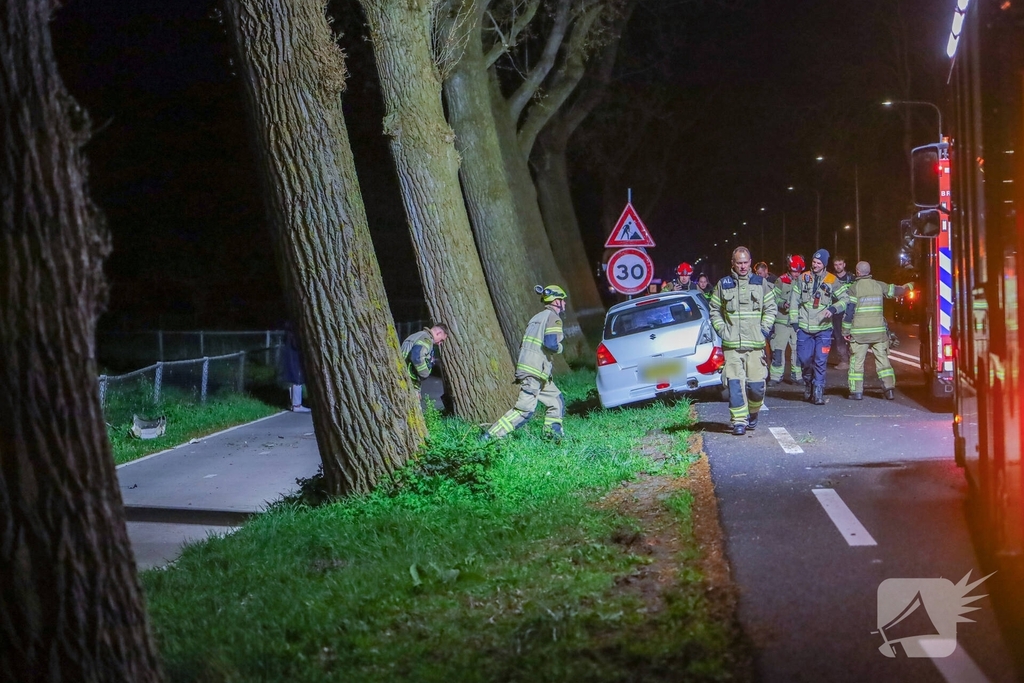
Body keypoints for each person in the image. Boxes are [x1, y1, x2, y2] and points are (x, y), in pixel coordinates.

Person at [482, 285, 567, 442]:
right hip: (535, 371)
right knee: (524, 410)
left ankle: (552, 437)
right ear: (556, 301)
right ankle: (490, 436)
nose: (565, 304)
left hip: (535, 370)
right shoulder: (553, 318)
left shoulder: (536, 317)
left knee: (556, 400)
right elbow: (551, 344)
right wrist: (560, 347)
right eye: (563, 300)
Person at [709, 247, 777, 435]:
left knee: (756, 387)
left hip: (755, 346)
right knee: (735, 385)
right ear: (733, 263)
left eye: (745, 262)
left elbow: (771, 308)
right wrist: (723, 330)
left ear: (750, 262)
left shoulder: (761, 283)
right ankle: (739, 421)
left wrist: (763, 329)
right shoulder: (723, 284)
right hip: (732, 346)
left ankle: (753, 413)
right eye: (739, 262)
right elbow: (714, 309)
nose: (743, 266)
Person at [842, 262, 913, 400]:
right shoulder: (879, 285)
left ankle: (856, 392)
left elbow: (849, 312)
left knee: (857, 362)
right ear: (869, 271)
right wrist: (910, 285)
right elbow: (897, 291)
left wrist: (845, 330)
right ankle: (889, 389)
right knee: (883, 361)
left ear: (857, 272)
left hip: (859, 334)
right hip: (878, 333)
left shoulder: (853, 288)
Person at [791, 248, 849, 405]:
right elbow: (794, 300)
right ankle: (808, 383)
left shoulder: (832, 280)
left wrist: (833, 309)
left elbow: (845, 299)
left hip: (823, 329)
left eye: (818, 263)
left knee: (820, 361)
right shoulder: (803, 277)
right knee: (804, 360)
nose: (815, 265)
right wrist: (795, 323)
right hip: (804, 328)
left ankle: (818, 391)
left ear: (824, 264)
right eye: (813, 262)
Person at [768, 254, 804, 385]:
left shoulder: (804, 281)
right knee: (778, 350)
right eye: (794, 271)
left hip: (797, 322)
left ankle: (797, 376)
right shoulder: (781, 281)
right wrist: (783, 304)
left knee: (798, 350)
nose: (796, 274)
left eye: (799, 271)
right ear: (789, 269)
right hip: (781, 322)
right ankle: (775, 377)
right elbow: (773, 298)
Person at [400, 323, 449, 389]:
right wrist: (425, 374)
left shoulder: (419, 335)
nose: (439, 344)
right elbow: (417, 357)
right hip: (407, 380)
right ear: (439, 333)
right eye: (441, 340)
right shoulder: (426, 339)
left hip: (404, 376)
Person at [830, 255, 855, 370]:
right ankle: (844, 361)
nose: (838, 267)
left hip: (850, 312)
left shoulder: (851, 278)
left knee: (852, 336)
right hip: (837, 312)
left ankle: (854, 361)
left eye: (840, 264)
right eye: (836, 264)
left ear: (844, 264)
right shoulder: (830, 278)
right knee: (839, 337)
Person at [280, 322, 310, 413]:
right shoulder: (294, 334)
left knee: (294, 381)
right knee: (297, 380)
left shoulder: (289, 334)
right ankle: (297, 405)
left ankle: (294, 404)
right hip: (295, 358)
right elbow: (297, 345)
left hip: (291, 357)